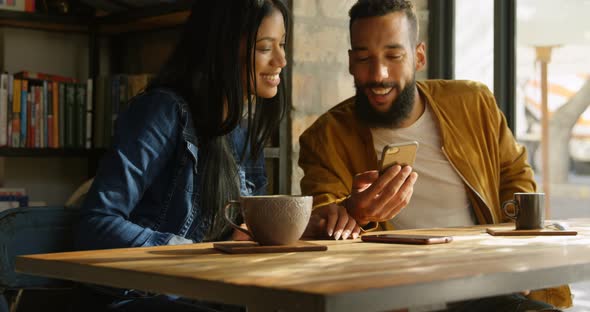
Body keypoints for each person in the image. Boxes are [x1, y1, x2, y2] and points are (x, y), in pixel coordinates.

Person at [298, 0, 571, 310]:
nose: (379, 74)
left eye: (394, 55)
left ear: (419, 55)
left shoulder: (473, 103)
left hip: (487, 287)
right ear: (350, 62)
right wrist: (357, 213)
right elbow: (323, 221)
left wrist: (517, 258)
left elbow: (516, 180)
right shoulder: (325, 138)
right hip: (398, 297)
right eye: (364, 58)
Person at [74, 0, 289, 310]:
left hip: (206, 294)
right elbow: (96, 225)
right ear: (222, 48)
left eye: (282, 45)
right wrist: (193, 254)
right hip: (139, 297)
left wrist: (310, 224)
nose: (281, 59)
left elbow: (239, 237)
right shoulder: (162, 112)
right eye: (265, 48)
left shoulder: (241, 130)